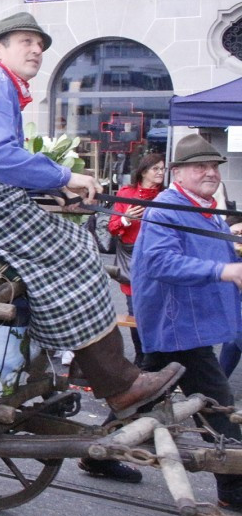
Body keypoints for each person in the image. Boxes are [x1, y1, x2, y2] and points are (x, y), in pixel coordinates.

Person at [0, 11, 184, 423]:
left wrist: (54, 189)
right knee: (77, 248)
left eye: (41, 44)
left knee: (65, 249)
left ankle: (89, 360)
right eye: (25, 41)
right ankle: (115, 381)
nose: (36, 49)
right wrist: (64, 175)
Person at [131, 135, 242, 511]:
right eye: (201, 166)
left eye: (214, 167)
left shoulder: (202, 205)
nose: (211, 172)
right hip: (178, 324)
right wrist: (225, 270)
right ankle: (234, 489)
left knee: (138, 396)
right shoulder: (167, 208)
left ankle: (97, 455)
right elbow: (161, 263)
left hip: (186, 323)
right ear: (178, 173)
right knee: (215, 402)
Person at [106, 153, 166, 362]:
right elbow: (112, 229)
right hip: (132, 260)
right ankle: (141, 358)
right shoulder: (126, 193)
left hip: (159, 259)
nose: (160, 173)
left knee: (157, 313)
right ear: (143, 171)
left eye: (162, 169)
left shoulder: (166, 197)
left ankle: (154, 358)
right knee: (135, 313)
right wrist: (126, 218)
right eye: (155, 169)